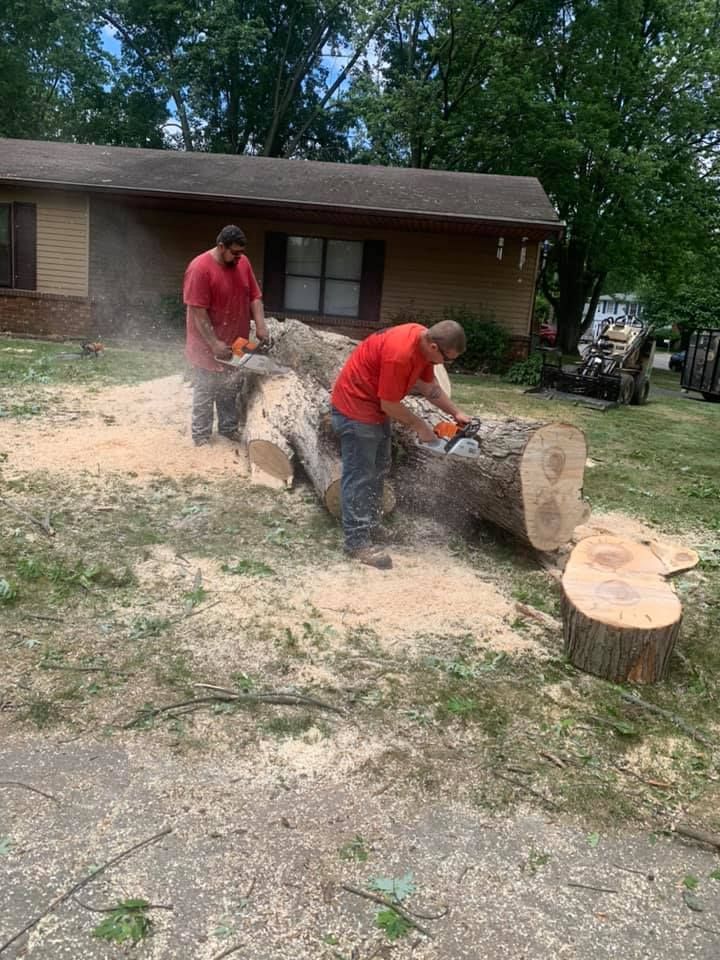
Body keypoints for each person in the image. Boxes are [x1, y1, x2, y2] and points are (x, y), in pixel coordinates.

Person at [331, 319, 471, 570]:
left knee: (380, 467)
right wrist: (422, 427)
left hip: (375, 407)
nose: (444, 364)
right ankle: (356, 541)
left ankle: (371, 526)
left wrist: (456, 413)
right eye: (446, 359)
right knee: (360, 474)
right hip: (355, 407)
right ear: (433, 346)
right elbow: (390, 405)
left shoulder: (423, 345)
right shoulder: (400, 355)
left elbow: (429, 387)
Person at [183, 225, 269, 446]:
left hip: (236, 340)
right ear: (221, 247)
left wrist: (260, 325)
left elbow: (255, 297)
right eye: (235, 253)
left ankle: (228, 429)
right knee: (206, 388)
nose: (239, 257)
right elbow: (197, 312)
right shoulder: (200, 268)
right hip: (206, 342)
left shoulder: (243, 262)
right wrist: (213, 343)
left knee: (230, 385)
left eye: (241, 253)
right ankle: (201, 436)